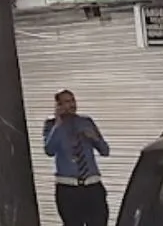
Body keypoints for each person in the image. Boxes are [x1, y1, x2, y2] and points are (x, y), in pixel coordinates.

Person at [44, 90, 111, 226]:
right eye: (67, 102)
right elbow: (49, 150)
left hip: (92, 185)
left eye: (73, 101)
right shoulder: (51, 125)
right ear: (58, 105)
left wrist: (94, 138)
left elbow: (105, 151)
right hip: (68, 188)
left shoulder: (86, 122)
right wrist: (58, 125)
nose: (72, 105)